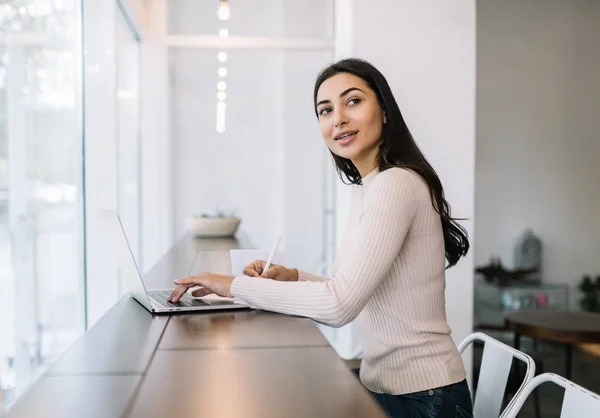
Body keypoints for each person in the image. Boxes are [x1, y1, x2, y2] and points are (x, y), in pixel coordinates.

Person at [169, 58, 473, 418]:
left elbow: (339, 305)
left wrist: (230, 285)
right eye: (325, 110)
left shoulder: (396, 184)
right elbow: (358, 288)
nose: (338, 118)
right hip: (395, 388)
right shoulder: (371, 186)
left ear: (385, 111)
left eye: (353, 101)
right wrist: (294, 276)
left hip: (425, 398)